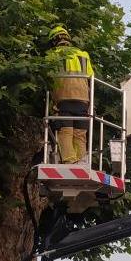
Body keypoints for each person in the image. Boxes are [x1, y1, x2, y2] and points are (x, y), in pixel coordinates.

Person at [46, 25, 94, 164]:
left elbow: (48, 77)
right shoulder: (83, 54)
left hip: (63, 96)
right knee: (80, 132)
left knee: (65, 130)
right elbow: (91, 77)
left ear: (54, 41)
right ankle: (81, 162)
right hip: (83, 97)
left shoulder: (53, 55)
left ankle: (70, 161)